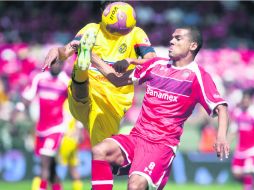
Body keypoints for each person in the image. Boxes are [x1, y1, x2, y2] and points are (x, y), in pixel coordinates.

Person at [90, 26, 230, 190]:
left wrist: (221, 137)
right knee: (100, 150)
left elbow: (221, 107)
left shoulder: (197, 76)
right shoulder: (156, 65)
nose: (171, 41)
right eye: (172, 37)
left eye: (178, 38)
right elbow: (119, 80)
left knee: (135, 186)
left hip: (161, 146)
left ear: (192, 45)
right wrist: (91, 56)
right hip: (137, 137)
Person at [42, 1, 156, 146]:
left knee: (100, 147)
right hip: (96, 88)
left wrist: (130, 60)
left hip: (112, 98)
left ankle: (83, 65)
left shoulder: (136, 33)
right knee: (100, 147)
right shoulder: (92, 30)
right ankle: (83, 65)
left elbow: (151, 60)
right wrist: (56, 51)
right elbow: (65, 51)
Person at [22, 63, 70, 190]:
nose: (56, 66)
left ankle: (41, 187)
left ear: (62, 65)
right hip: (41, 128)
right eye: (54, 63)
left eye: (59, 63)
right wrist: (20, 108)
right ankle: (57, 187)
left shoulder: (66, 82)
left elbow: (75, 104)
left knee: (44, 162)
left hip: (56, 127)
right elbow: (28, 96)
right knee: (51, 165)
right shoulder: (39, 78)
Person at [228, 88, 254, 190]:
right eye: (244, 98)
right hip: (240, 149)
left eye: (247, 98)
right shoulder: (238, 113)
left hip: (251, 149)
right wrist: (228, 143)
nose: (245, 100)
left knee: (248, 172)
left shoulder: (252, 112)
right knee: (237, 174)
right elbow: (234, 130)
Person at [58, 100, 84, 190]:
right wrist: (79, 133)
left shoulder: (63, 103)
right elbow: (78, 119)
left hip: (65, 138)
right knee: (73, 168)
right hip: (73, 139)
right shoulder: (73, 102)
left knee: (60, 167)